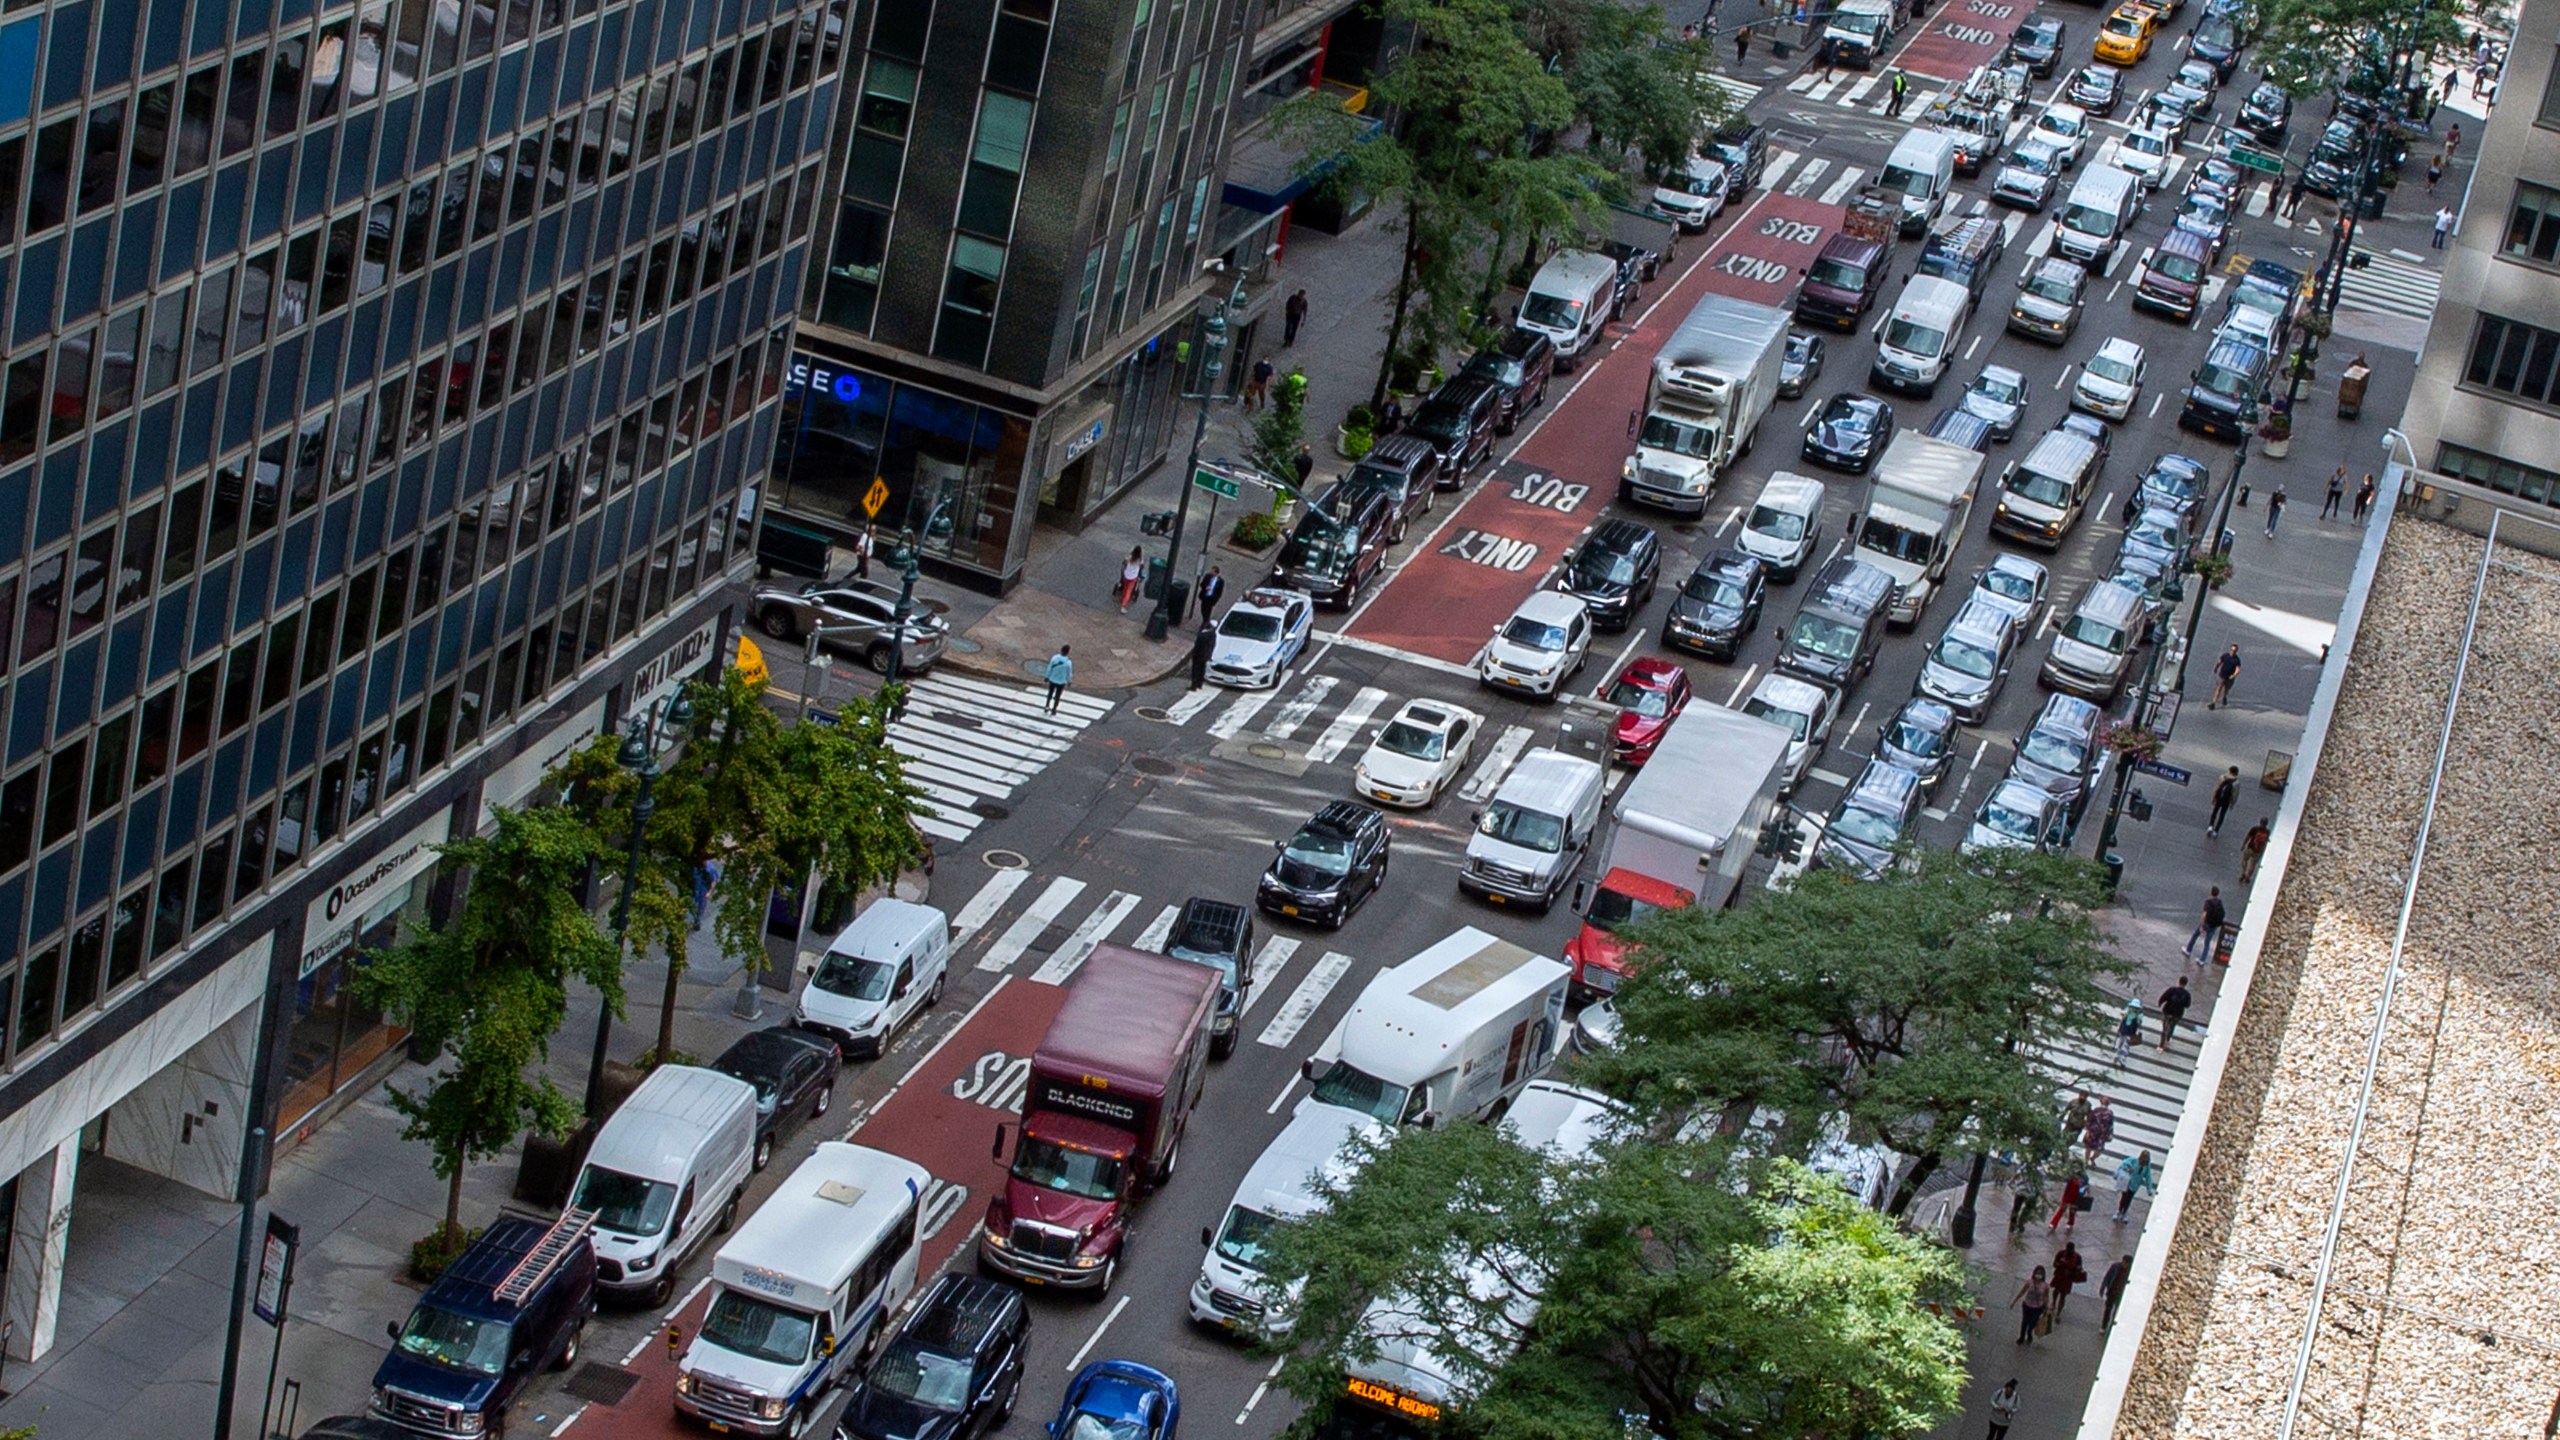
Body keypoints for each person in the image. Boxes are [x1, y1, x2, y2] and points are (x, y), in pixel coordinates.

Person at [2185, 886, 2228, 961]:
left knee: (2195, 935)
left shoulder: (2208, 902)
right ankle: (2202, 960)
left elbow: (2204, 914)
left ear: (2211, 892)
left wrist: (2202, 925)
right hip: (2214, 925)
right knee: (2207, 943)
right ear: (2218, 894)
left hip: (2206, 924)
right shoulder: (2220, 902)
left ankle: (2188, 950)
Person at [2114, 1150, 2159, 1221]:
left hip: (2135, 1185)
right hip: (2128, 1183)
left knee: (2129, 1199)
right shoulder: (2134, 1161)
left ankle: (2124, 1212)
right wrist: (2128, 1168)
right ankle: (2119, 1211)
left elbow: (2148, 1177)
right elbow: (2125, 1162)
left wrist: (2149, 1189)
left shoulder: (2146, 1167)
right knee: (2124, 1198)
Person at [2012, 1265, 2051, 1343]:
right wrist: (2015, 1301)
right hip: (2027, 1305)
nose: (2038, 1275)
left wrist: (2046, 1306)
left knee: (2032, 1323)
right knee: (2024, 1321)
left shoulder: (2045, 1285)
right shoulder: (2030, 1282)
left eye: (2040, 1273)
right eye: (2037, 1273)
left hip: (2037, 1308)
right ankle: (2022, 1337)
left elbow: (2046, 1296)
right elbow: (2022, 1292)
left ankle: (2029, 1332)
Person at [2050, 1241, 2087, 1318]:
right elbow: (2054, 1264)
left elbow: (2080, 1268)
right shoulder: (2061, 1254)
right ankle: (2053, 1303)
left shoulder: (2077, 1257)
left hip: (2068, 1279)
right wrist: (2060, 1263)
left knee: (2063, 1296)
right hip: (2059, 1276)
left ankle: (2058, 1312)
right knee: (2056, 1291)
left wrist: (2077, 1269)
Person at [2049, 1163, 2087, 1231]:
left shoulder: (2083, 1178)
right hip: (2068, 1196)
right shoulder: (2071, 1177)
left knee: (2071, 1211)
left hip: (2075, 1197)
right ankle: (2054, 1223)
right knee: (2062, 1209)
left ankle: (2069, 1223)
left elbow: (2084, 1186)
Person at [2099, 1253, 2134, 1329]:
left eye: (2127, 1264)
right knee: (2108, 1310)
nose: (2125, 1265)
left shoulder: (2131, 1272)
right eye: (2124, 1263)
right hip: (2112, 1292)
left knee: (2117, 1312)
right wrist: (2103, 1288)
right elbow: (2107, 1277)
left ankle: (2112, 1326)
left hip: (2121, 1295)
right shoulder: (2115, 1267)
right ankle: (2104, 1326)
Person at [2160, 976, 2196, 1049]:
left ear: (2179, 981)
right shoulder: (2187, 994)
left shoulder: (2172, 990)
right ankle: (2168, 1038)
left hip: (2168, 1011)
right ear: (2186, 984)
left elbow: (2163, 997)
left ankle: (2161, 1045)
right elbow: (2187, 1005)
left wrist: (2160, 1003)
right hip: (2177, 1014)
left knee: (2165, 1028)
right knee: (2172, 1026)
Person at [2080, 1096, 2115, 1166]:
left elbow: (2111, 1124)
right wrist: (2088, 1130)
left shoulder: (2107, 1112)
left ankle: (2090, 1159)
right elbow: (2090, 1120)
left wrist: (2110, 1133)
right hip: (2096, 1132)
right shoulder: (2099, 1111)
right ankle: (2088, 1160)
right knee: (2092, 1148)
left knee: (2095, 1149)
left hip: (2099, 1133)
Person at [2208, 765, 2240, 836]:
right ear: (2236, 773)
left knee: (2214, 812)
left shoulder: (2222, 777)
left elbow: (2217, 787)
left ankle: (2210, 826)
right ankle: (2216, 831)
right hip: (2226, 800)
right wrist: (2232, 804)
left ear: (2229, 771)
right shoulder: (2236, 783)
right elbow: (2235, 794)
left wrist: (2213, 797)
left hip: (2219, 797)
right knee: (2222, 815)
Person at [2114, 995, 2145, 1067]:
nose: (2133, 1009)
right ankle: (2117, 1055)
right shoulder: (2127, 1011)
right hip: (2123, 1030)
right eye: (2132, 1007)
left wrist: (2137, 1016)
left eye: (2135, 1008)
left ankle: (2123, 1058)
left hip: (2130, 1032)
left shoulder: (2139, 1015)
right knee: (2120, 1043)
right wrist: (2127, 1013)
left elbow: (2139, 1023)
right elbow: (2122, 1015)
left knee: (2126, 1045)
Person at [1042, 644, 1073, 715]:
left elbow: (1049, 668)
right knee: (1058, 696)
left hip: (1052, 679)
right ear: (1068, 652)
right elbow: (1069, 673)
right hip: (1061, 681)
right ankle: (1054, 709)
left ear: (1061, 650)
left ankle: (1047, 705)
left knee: (1050, 693)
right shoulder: (1068, 662)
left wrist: (1047, 676)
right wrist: (1069, 681)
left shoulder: (1055, 658)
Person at [2209, 644, 2242, 709]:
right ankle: (2213, 703)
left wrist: (2233, 675)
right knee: (2218, 689)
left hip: (2229, 678)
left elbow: (2238, 669)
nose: (2233, 651)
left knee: (2226, 689)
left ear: (2236, 651)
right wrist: (2216, 668)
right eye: (2232, 650)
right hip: (2222, 675)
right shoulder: (2225, 655)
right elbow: (2219, 662)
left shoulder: (2237, 660)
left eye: (2234, 650)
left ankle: (2224, 697)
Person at [2241, 818, 2272, 882]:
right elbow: (2265, 841)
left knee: (2244, 860)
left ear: (2260, 822)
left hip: (2250, 848)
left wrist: (2243, 845)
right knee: (2253, 864)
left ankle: (2243, 873)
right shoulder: (2268, 832)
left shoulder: (2254, 829)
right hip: (2258, 851)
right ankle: (2248, 876)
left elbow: (2248, 837)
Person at [1188, 619, 1215, 691]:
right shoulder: (1213, 635)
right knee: (1202, 669)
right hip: (1206, 656)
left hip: (1199, 655)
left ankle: (1194, 685)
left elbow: (1197, 646)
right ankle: (1199, 684)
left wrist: (1193, 654)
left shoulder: (1202, 635)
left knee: (1195, 670)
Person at [1117, 546, 1145, 613]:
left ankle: (1123, 598)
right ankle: (1123, 606)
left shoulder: (1130, 557)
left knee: (1125, 588)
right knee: (1129, 592)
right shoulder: (1140, 560)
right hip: (1133, 577)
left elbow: (1124, 562)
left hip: (1126, 575)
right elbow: (1142, 567)